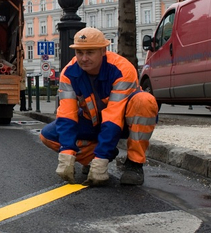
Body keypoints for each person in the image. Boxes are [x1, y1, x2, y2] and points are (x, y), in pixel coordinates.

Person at [40, 28, 159, 186]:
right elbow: (67, 116)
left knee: (144, 101)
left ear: (103, 51)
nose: (84, 58)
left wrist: (102, 157)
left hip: (122, 123)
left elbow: (113, 118)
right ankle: (91, 159)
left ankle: (134, 164)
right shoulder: (68, 73)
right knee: (48, 135)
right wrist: (66, 153)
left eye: (90, 52)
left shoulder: (122, 69)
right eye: (79, 53)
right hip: (93, 121)